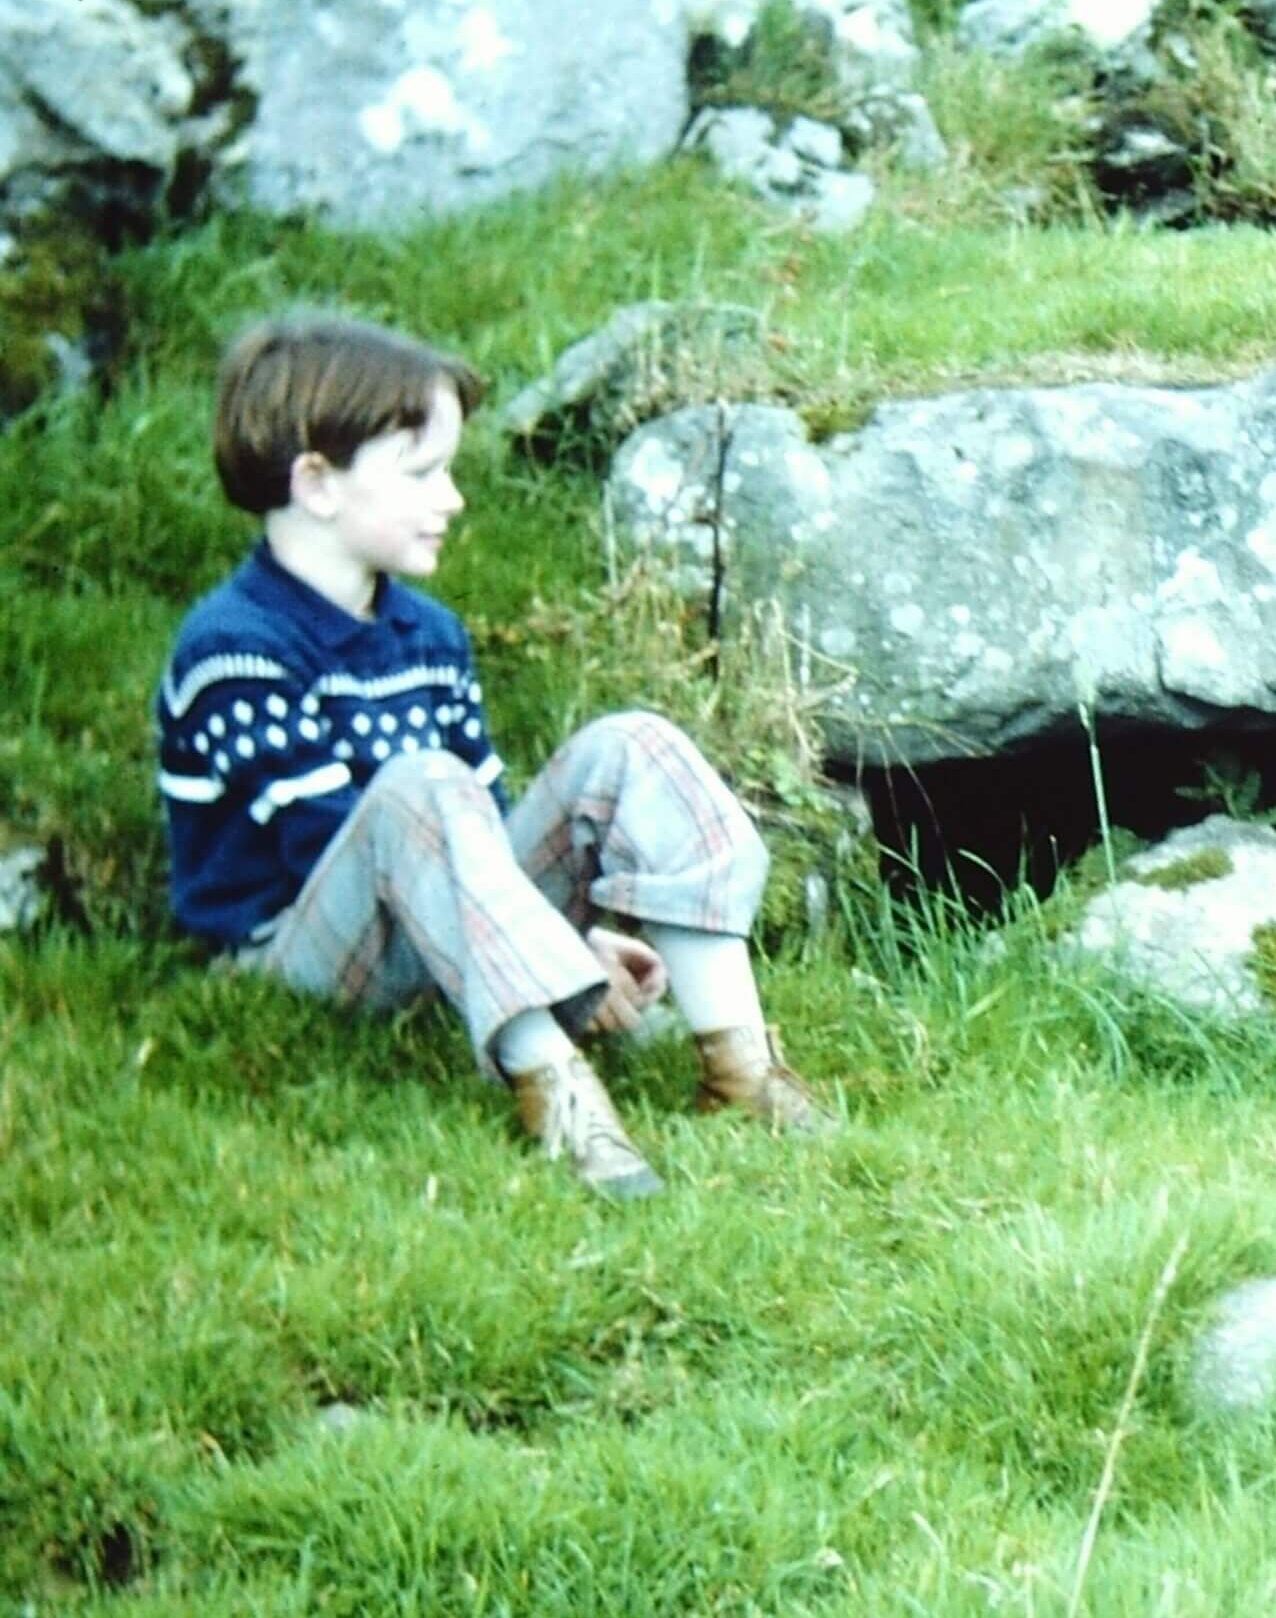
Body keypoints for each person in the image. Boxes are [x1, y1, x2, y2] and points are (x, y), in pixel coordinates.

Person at [155, 317, 833, 1200]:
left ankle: (740, 1060)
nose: (453, 499)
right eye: (423, 472)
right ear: (317, 482)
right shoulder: (234, 650)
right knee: (420, 785)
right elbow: (332, 844)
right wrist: (567, 958)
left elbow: (483, 829)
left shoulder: (429, 635)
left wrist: (572, 938)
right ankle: (556, 1087)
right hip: (300, 956)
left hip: (442, 920)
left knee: (632, 742)